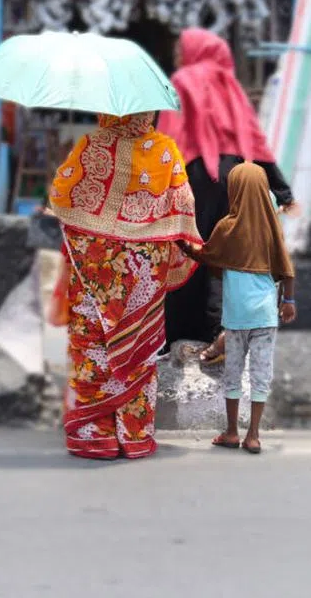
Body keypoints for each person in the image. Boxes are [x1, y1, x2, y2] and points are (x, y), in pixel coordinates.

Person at [49, 113, 202, 460]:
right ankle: (133, 435)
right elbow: (184, 206)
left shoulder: (91, 145)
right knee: (138, 349)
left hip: (95, 270)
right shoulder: (165, 150)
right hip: (143, 270)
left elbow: (62, 195)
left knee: (93, 346)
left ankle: (94, 436)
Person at [160, 27, 295, 362]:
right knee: (225, 254)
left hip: (193, 174)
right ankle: (217, 333)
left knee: (184, 248)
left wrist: (156, 184)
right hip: (235, 175)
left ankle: (176, 332)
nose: (178, 55)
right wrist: (282, 190)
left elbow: (170, 132)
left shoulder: (182, 80)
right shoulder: (230, 85)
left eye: (181, 49)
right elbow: (254, 140)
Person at [178, 162, 296, 455]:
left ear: (235, 190)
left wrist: (184, 246)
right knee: (260, 374)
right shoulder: (272, 228)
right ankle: (253, 435)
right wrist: (288, 301)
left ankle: (231, 431)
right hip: (265, 317)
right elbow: (287, 268)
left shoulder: (227, 227)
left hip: (235, 319)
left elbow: (206, 255)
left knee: (232, 374)